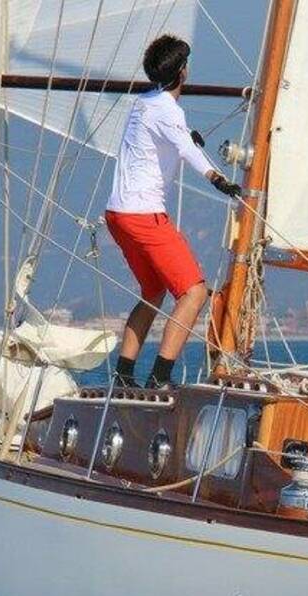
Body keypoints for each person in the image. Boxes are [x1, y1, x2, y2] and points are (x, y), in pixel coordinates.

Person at [105, 34, 241, 389]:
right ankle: (160, 378)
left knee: (153, 291)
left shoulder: (143, 102)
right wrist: (218, 178)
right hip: (143, 214)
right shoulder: (168, 109)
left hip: (117, 215)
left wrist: (186, 136)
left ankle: (123, 374)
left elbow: (166, 139)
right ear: (184, 72)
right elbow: (186, 149)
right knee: (193, 292)